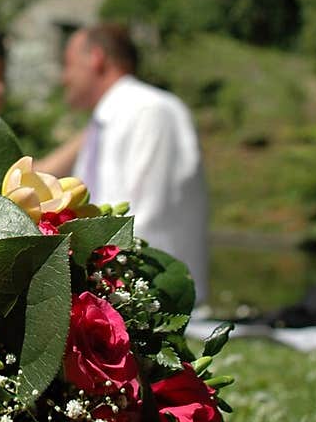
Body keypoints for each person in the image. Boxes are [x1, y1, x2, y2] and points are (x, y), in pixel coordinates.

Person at [38, 23, 209, 304]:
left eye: (67, 65)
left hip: (152, 298)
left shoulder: (151, 112)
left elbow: (150, 217)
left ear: (95, 58)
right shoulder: (107, 121)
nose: (63, 78)